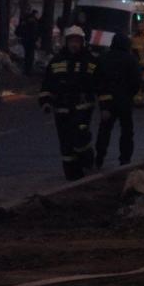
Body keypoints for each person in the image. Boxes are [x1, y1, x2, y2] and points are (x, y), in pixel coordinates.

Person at [39, 25, 98, 181]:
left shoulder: (90, 61)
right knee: (65, 144)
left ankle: (87, 159)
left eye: (77, 41)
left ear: (82, 42)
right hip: (62, 108)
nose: (74, 44)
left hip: (82, 108)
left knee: (80, 136)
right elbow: (47, 84)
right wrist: (45, 101)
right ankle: (72, 175)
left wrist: (106, 103)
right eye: (72, 41)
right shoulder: (56, 61)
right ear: (66, 42)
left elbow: (100, 83)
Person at [94, 33, 142, 168]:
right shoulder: (131, 59)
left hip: (107, 102)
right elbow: (136, 81)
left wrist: (103, 102)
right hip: (125, 101)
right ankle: (125, 159)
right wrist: (130, 95)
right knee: (126, 131)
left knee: (104, 130)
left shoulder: (103, 58)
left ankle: (99, 157)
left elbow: (97, 80)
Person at [14, 10, 40, 75]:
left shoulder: (25, 20)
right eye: (37, 14)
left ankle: (26, 69)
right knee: (30, 55)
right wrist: (36, 40)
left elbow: (18, 31)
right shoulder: (34, 22)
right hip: (31, 41)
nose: (38, 16)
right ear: (35, 14)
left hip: (25, 40)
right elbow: (35, 32)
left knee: (27, 55)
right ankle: (29, 70)